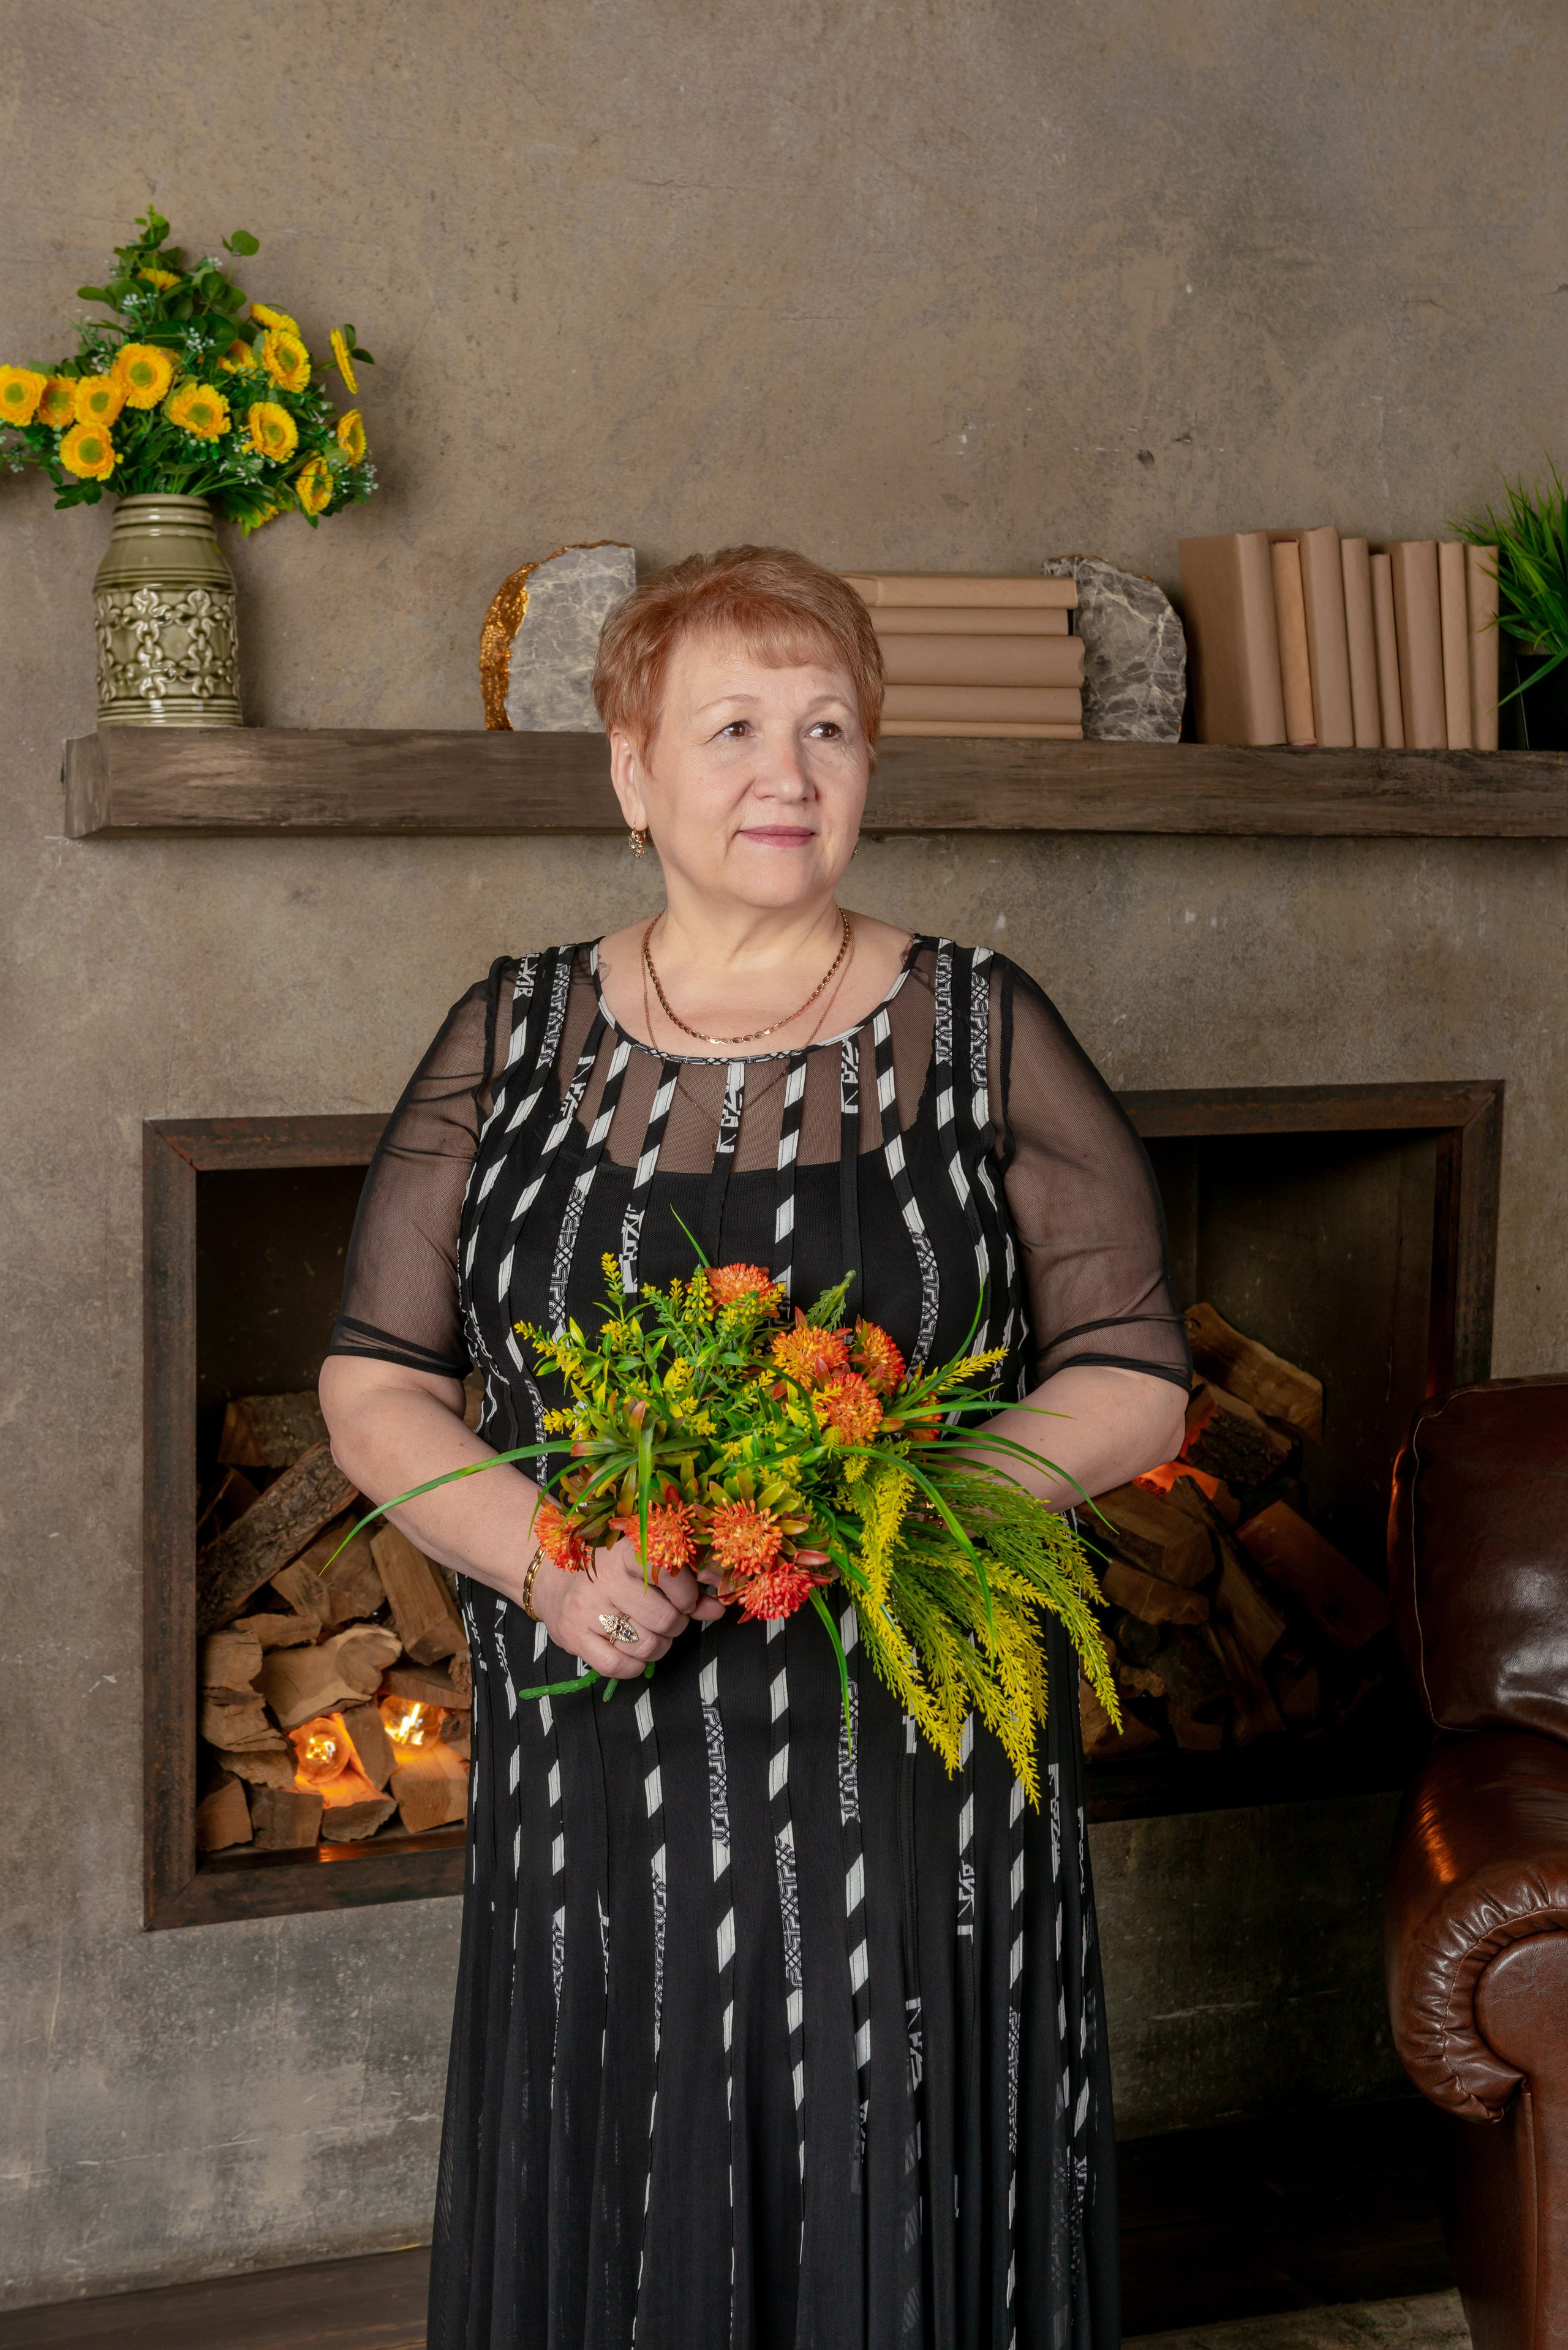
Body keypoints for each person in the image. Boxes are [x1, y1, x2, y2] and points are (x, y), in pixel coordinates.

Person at [320, 546, 1189, 2350]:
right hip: (605, 1749)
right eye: (730, 728)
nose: (785, 773)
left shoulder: (980, 1029)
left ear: (871, 765)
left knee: (908, 2155)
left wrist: (895, 1508)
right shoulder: (512, 1036)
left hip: (915, 1745)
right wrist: (551, 1561)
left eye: (827, 728)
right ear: (631, 775)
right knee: (624, 2185)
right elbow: (374, 1380)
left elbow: (1134, 1369)